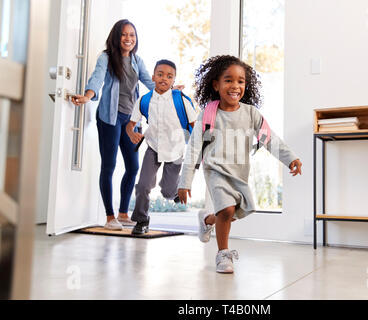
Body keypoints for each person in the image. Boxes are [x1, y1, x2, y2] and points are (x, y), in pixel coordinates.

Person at [177, 55, 302, 274]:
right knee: (226, 209)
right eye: (228, 80)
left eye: (240, 81)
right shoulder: (208, 115)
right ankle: (223, 254)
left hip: (239, 172)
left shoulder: (251, 114)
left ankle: (207, 220)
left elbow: (269, 139)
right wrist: (185, 181)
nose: (235, 86)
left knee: (232, 211)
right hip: (215, 170)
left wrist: (290, 157)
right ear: (216, 85)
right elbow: (194, 149)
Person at [72, 20, 182, 230]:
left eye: (132, 35)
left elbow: (150, 83)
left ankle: (123, 213)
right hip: (109, 118)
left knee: (133, 167)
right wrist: (88, 96)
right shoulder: (106, 58)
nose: (128, 38)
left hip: (131, 119)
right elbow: (97, 79)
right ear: (116, 36)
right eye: (124, 35)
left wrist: (169, 88)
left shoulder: (136, 60)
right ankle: (109, 216)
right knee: (109, 165)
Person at [126, 59, 198, 235]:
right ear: (153, 77)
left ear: (174, 80)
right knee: (143, 185)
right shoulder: (144, 100)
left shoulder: (181, 100)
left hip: (175, 151)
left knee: (167, 192)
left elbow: (195, 126)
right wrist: (132, 133)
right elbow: (131, 124)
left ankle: (172, 189)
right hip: (153, 147)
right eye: (160, 74)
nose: (164, 78)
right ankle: (141, 220)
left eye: (169, 76)